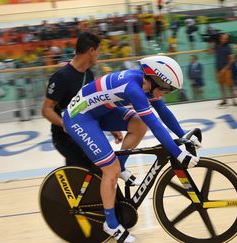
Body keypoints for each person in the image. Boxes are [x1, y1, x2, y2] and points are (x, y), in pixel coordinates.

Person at [62, 55, 201, 242]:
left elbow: (164, 113)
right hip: (80, 117)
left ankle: (119, 166)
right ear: (155, 80)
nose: (165, 94)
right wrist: (177, 152)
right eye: (167, 89)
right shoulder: (134, 88)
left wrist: (182, 136)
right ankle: (110, 224)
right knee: (109, 169)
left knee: (138, 126)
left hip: (100, 110)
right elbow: (155, 123)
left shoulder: (148, 85)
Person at [42, 32, 111, 170]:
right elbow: (46, 110)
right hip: (65, 138)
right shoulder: (61, 77)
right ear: (91, 51)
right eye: (98, 51)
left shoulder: (89, 74)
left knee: (77, 177)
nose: (99, 54)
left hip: (83, 134)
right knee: (100, 169)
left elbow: (91, 104)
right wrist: (65, 124)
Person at [214, 33, 237, 107]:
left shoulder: (228, 47)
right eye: (222, 38)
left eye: (225, 39)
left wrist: (224, 69)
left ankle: (234, 101)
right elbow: (215, 54)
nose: (224, 39)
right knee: (221, 85)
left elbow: (231, 60)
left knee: (230, 85)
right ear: (220, 38)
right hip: (218, 68)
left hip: (226, 70)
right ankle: (224, 100)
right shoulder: (217, 46)